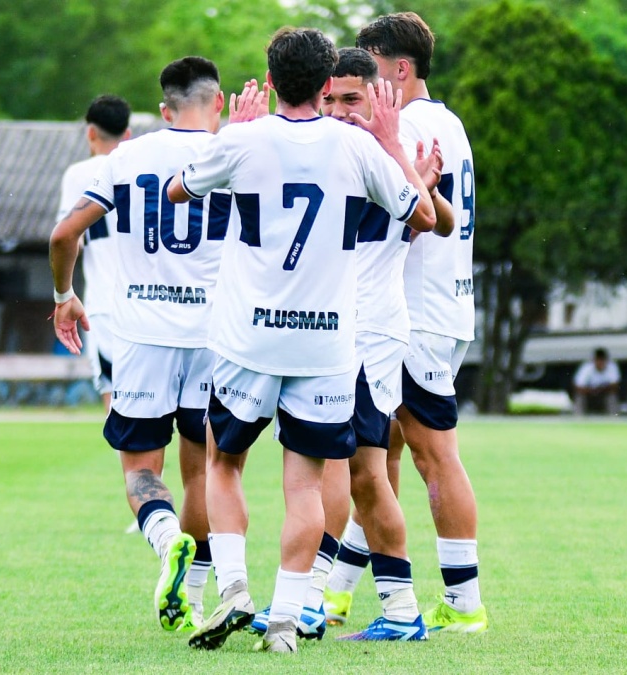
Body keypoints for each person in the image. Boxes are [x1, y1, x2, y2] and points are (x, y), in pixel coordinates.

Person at [167, 28, 439, 653]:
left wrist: (230, 136)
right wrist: (393, 145)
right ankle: (287, 621)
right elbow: (423, 217)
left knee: (223, 463)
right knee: (308, 484)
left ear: (270, 75)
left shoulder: (242, 138)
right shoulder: (355, 146)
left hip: (248, 340)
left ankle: (235, 589)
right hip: (326, 346)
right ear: (325, 85)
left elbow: (179, 190)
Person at [251, 46, 452, 643]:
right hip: (335, 331)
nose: (339, 109)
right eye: (331, 98)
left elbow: (430, 220)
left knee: (359, 472)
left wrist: (398, 153)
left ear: (381, 98)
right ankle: (364, 606)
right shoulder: (338, 150)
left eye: (353, 98)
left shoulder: (379, 151)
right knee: (352, 471)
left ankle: (355, 605)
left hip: (368, 332)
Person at [50, 57, 229, 634]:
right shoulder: (235, 153)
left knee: (139, 471)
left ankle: (163, 537)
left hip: (139, 339)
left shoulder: (122, 159)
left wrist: (63, 294)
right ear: (218, 101)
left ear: (162, 110)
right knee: (203, 471)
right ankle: (197, 597)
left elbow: (62, 234)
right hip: (213, 337)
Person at [348, 12, 489, 635]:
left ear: (397, 68)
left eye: (371, 71)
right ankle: (336, 591)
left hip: (416, 313)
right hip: (446, 305)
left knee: (430, 456)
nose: (362, 88)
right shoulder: (448, 122)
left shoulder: (402, 125)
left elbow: (423, 213)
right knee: (381, 455)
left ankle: (463, 606)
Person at [56, 95, 131, 411]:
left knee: (115, 397)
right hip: (147, 300)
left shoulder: (78, 174)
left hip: (103, 303)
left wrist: (63, 294)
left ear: (90, 133)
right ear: (127, 135)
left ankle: (131, 464)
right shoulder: (139, 166)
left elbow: (69, 238)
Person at [573, 348, 621, 416]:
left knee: (612, 397)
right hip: (588, 394)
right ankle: (578, 419)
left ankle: (614, 419)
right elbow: (578, 387)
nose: (600, 363)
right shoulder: (586, 368)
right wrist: (592, 391)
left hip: (604, 394)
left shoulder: (612, 367)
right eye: (598, 360)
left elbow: (615, 385)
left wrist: (600, 390)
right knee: (579, 398)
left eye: (602, 360)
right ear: (594, 360)